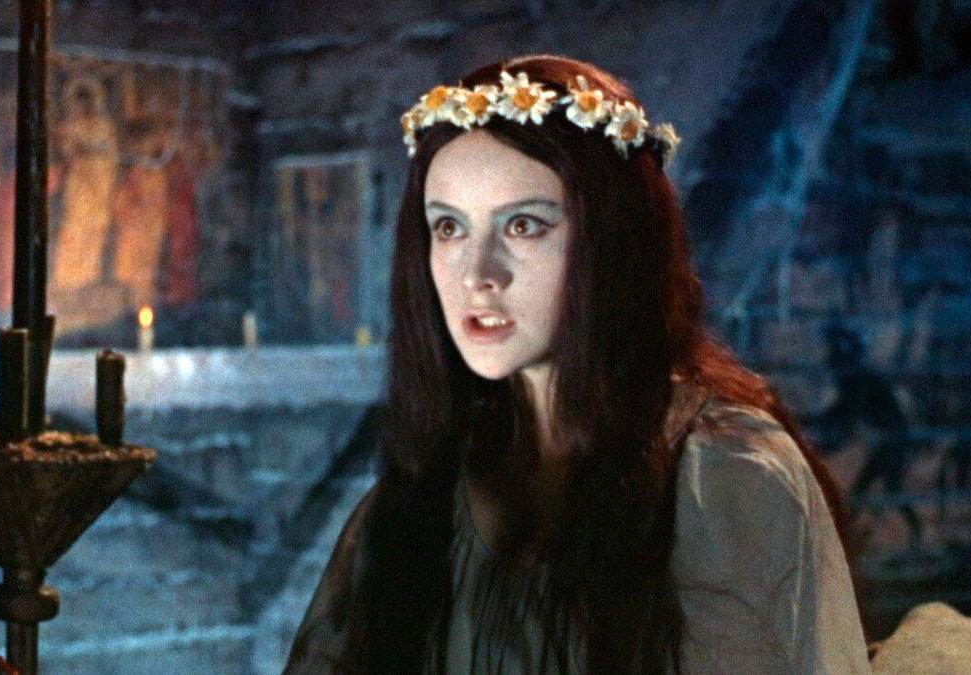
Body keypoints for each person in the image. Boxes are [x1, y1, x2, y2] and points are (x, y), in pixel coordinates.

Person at [283, 54, 869, 674]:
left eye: (523, 225)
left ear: (610, 239)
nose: (478, 274)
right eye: (449, 228)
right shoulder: (421, 494)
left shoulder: (724, 475)